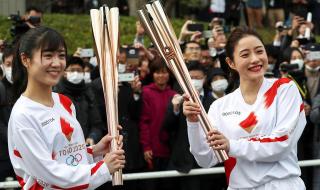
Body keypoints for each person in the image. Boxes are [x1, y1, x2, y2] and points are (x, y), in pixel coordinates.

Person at [183, 26, 306, 189]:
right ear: (231, 62)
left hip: (281, 185)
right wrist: (193, 123)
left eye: (259, 51)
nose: (255, 59)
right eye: (245, 55)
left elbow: (281, 143)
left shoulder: (284, 89)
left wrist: (231, 145)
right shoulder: (220, 106)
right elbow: (205, 159)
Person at [8, 26, 125, 189]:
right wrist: (103, 169)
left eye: (61, 56)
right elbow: (49, 175)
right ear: (25, 59)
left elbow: (67, 156)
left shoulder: (64, 102)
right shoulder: (23, 115)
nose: (56, 63)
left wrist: (96, 151)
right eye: (48, 55)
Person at [54, 56, 104, 145]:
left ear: (84, 73)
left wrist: (92, 137)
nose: (76, 73)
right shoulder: (56, 94)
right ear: (65, 72)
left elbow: (97, 124)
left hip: (87, 147)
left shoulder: (89, 94)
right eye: (72, 70)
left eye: (79, 70)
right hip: (65, 148)